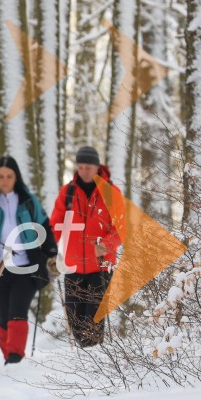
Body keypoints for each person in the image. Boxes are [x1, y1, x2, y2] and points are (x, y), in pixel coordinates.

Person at [0, 156, 58, 364]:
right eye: (1, 176)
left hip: (27, 266)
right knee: (3, 316)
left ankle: (15, 357)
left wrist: (51, 252)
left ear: (16, 178)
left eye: (9, 176)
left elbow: (45, 227)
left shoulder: (28, 201)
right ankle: (8, 357)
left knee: (18, 311)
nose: (5, 181)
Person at [49, 146, 121, 347]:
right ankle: (86, 356)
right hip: (73, 266)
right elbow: (55, 224)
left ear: (97, 167)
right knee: (75, 320)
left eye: (88, 167)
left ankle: (94, 356)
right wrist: (48, 250)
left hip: (101, 266)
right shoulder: (68, 192)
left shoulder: (111, 192)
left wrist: (106, 244)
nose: (84, 171)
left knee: (93, 321)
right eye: (80, 167)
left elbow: (122, 228)